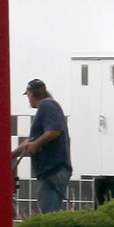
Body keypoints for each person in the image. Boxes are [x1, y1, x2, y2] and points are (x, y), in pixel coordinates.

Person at [14, 79, 72, 213]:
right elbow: (30, 142)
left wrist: (36, 144)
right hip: (53, 170)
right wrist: (12, 155)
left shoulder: (47, 105)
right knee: (48, 211)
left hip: (52, 169)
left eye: (28, 96)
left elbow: (54, 131)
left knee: (48, 215)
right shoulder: (48, 106)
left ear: (31, 94)